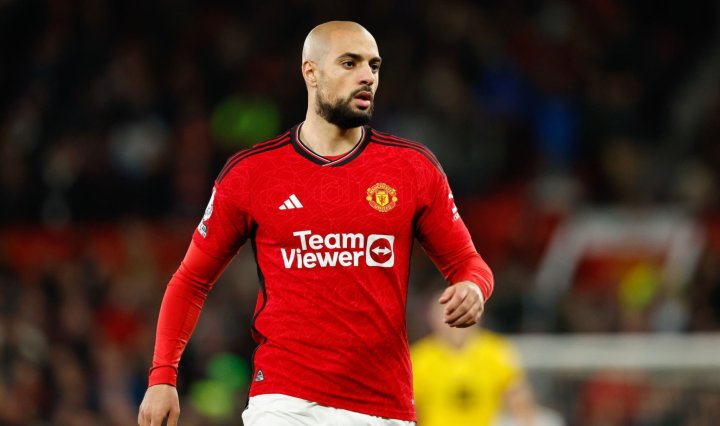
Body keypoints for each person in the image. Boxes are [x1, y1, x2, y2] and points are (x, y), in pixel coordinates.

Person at [137, 20, 493, 426]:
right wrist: (162, 376)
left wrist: (473, 287)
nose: (367, 76)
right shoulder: (252, 173)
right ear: (311, 72)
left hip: (383, 405)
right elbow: (191, 279)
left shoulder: (412, 168)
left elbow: (468, 263)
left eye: (374, 66)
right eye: (349, 63)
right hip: (285, 402)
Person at [411, 288, 535, 426]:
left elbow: (519, 400)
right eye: (446, 312)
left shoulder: (495, 352)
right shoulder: (419, 359)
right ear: (432, 318)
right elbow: (411, 410)